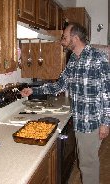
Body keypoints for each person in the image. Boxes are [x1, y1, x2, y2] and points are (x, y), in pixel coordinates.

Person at [20, 22, 110, 184]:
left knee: (88, 164)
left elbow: (107, 92)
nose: (62, 40)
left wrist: (106, 122)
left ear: (75, 39)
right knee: (84, 159)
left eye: (65, 37)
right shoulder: (73, 60)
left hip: (92, 121)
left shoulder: (97, 58)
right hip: (79, 119)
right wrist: (34, 91)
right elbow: (59, 85)